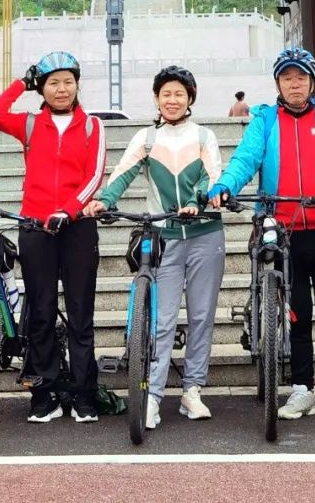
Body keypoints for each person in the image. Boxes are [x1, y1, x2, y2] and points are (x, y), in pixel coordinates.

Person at [209, 46, 315, 422]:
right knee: (297, 314)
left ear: (312, 82)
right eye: (287, 77)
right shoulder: (265, 120)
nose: (295, 84)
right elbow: (245, 159)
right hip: (282, 232)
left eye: (301, 77)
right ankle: (302, 390)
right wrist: (225, 185)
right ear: (278, 83)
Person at [85, 65, 224, 429]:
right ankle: (154, 397)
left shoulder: (204, 136)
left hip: (206, 233)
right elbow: (122, 174)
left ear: (190, 98)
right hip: (165, 236)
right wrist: (105, 200)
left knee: (201, 317)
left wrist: (197, 201)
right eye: (166, 94)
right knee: (163, 321)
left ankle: (192, 391)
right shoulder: (146, 139)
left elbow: (213, 177)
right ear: (157, 99)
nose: (172, 100)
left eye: (179, 94)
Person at [0, 50, 106, 424]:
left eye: (68, 81)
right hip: (35, 227)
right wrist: (21, 83)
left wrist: (68, 210)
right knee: (40, 311)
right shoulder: (29, 124)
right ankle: (44, 394)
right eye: (53, 82)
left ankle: (84, 394)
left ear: (77, 85)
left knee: (80, 314)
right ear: (42, 88)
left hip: (77, 227)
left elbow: (95, 176)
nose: (61, 89)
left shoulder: (92, 126)